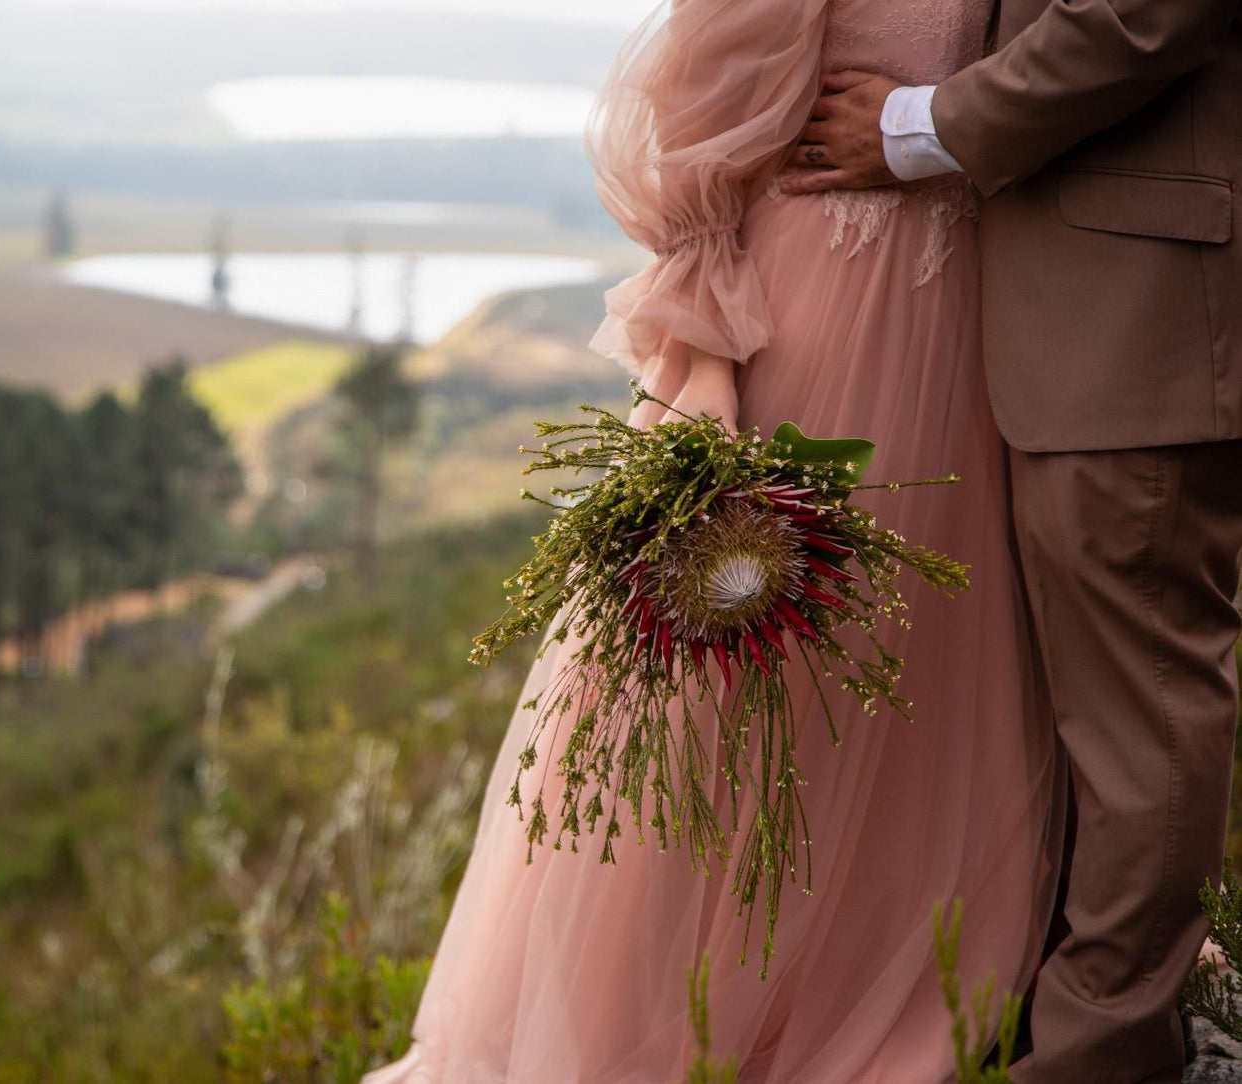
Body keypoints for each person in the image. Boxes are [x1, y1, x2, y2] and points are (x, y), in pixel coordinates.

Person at [364, 0, 1071, 1079]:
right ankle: (678, 1020)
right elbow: (697, 102)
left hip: (978, 324)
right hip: (828, 319)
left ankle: (894, 967)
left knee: (922, 670)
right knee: (755, 684)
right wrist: (706, 369)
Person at [779, 2, 1242, 1079]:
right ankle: (1040, 1005)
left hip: (1135, 314)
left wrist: (912, 126)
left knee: (1140, 707)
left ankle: (1099, 1054)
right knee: (1057, 708)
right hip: (1038, 319)